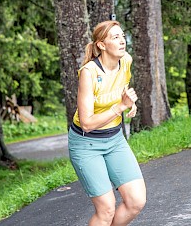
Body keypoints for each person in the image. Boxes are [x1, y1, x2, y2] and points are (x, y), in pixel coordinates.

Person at [68, 20, 146, 226]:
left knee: (136, 201)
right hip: (87, 145)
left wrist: (130, 103)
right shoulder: (89, 73)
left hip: (115, 140)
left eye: (122, 36)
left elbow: (121, 86)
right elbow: (86, 123)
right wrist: (119, 107)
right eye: (115, 37)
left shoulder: (126, 61)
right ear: (102, 45)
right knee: (106, 209)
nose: (122, 41)